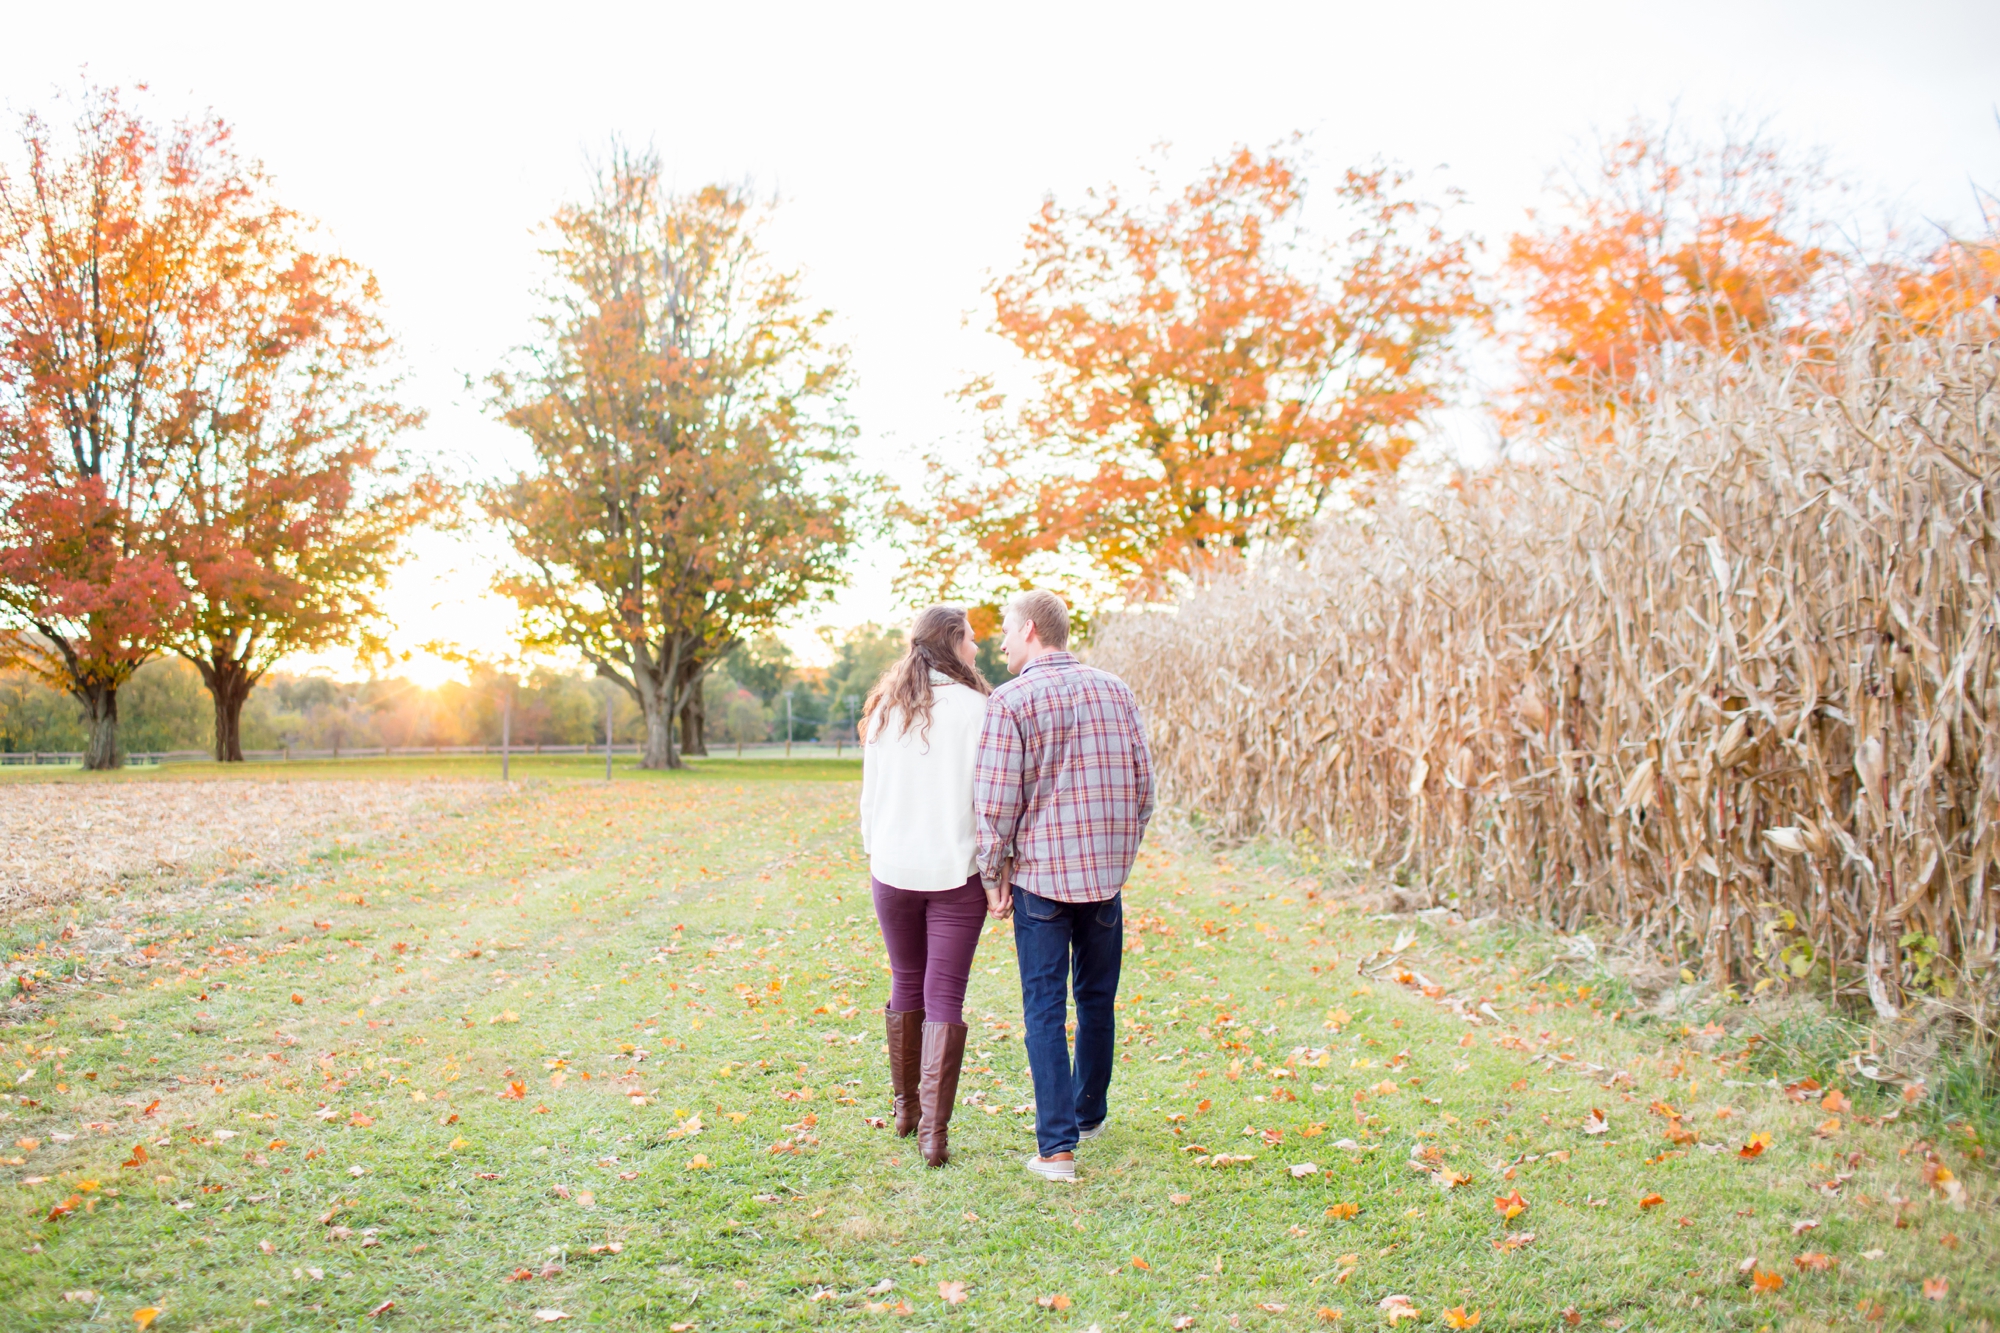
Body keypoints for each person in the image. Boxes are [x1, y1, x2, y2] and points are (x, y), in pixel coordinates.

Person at [974, 589, 1154, 1182]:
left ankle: (1056, 1151)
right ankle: (1089, 1114)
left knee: (1044, 1008)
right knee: (1096, 999)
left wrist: (992, 874)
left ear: (1030, 629)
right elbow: (1143, 790)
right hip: (1104, 878)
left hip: (1041, 881)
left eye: (1004, 630)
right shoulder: (1116, 691)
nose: (998, 642)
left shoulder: (1010, 700)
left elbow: (996, 804)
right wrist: (1118, 854)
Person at [857, 605, 1006, 1167]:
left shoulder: (884, 709)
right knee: (944, 995)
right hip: (955, 873)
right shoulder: (981, 710)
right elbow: (990, 802)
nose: (978, 650)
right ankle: (933, 1136)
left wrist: (877, 849)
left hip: (891, 869)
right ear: (951, 642)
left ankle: (905, 1110)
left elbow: (870, 798)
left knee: (905, 981)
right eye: (971, 639)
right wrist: (996, 875)